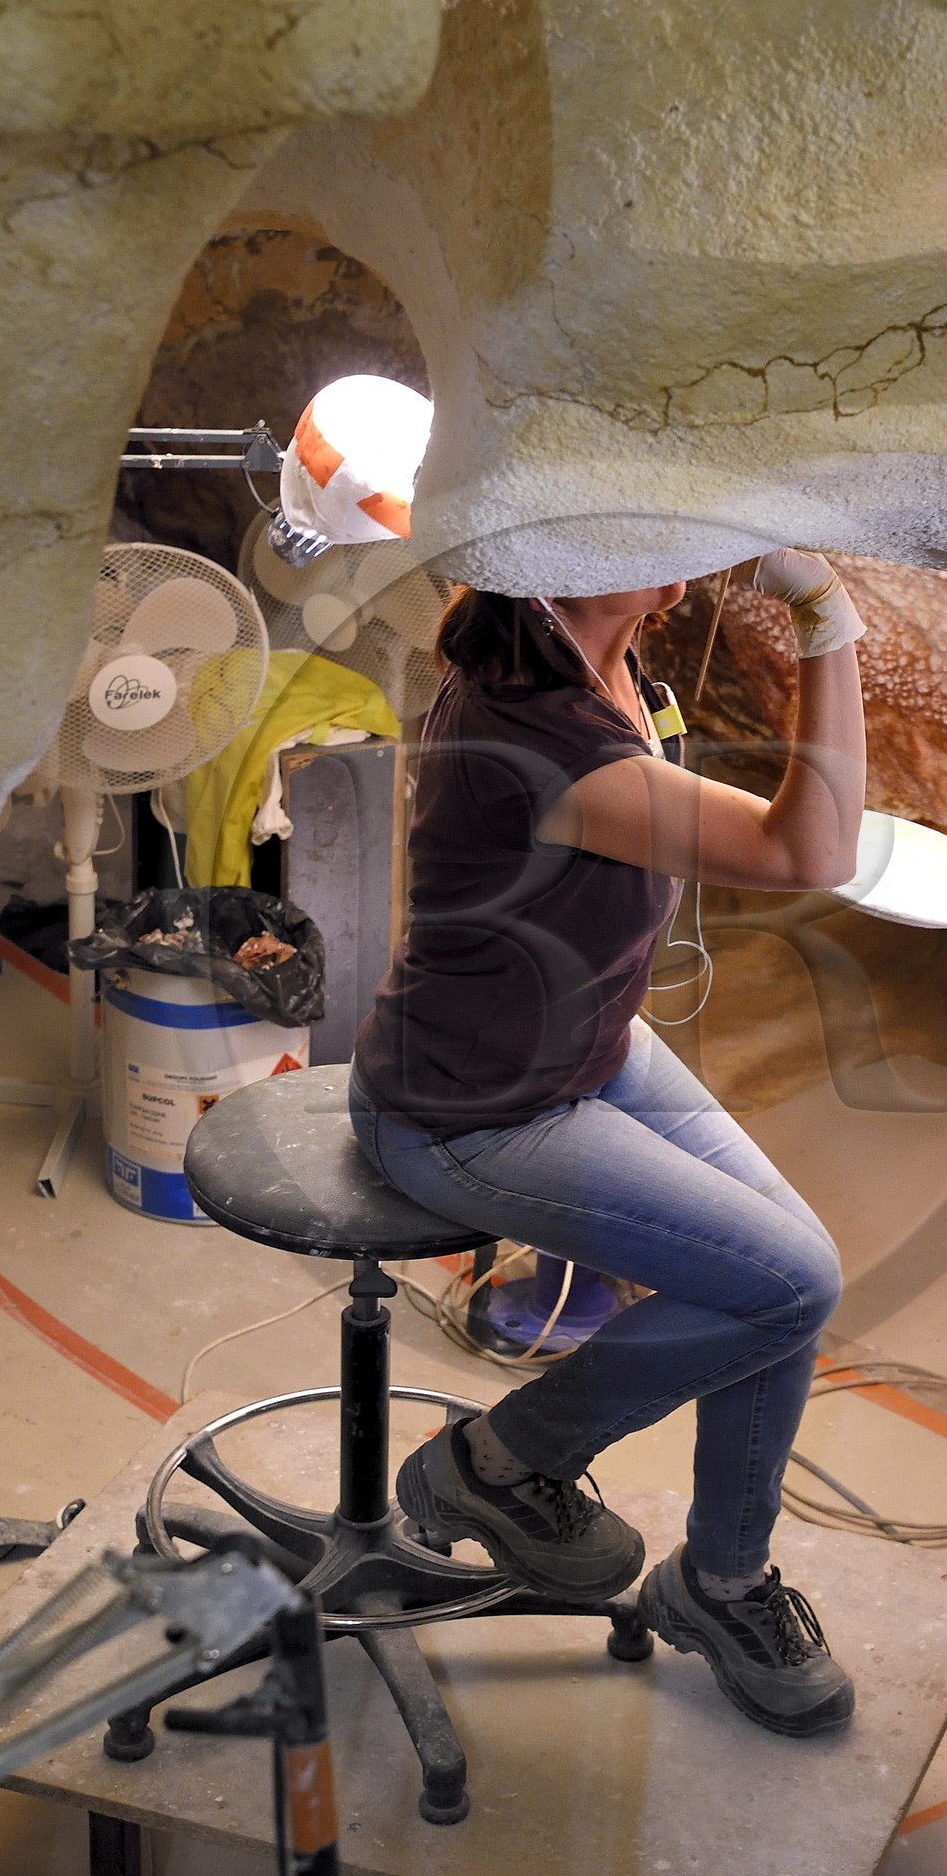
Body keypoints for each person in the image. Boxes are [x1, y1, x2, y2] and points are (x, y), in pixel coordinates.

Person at [349, 551, 867, 1735]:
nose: (698, 540)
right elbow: (810, 853)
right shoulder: (536, 726)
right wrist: (824, 616)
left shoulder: (588, 652)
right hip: (472, 1108)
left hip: (592, 1050)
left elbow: (804, 829)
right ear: (579, 564)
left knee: (779, 1278)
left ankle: (719, 1584)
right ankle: (494, 1461)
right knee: (792, 1284)